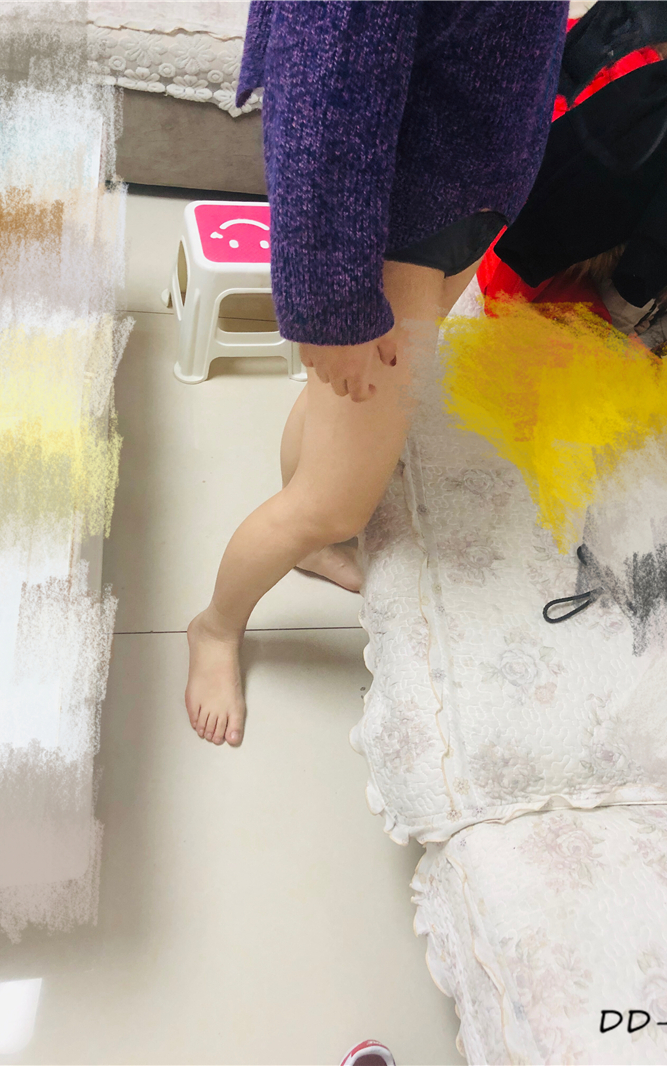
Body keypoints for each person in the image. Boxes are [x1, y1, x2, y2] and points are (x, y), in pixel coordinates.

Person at [183, 0, 571, 747]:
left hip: (463, 185)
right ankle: (215, 627)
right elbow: (323, 102)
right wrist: (336, 309)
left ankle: (311, 547)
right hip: (397, 218)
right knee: (333, 504)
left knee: (331, 441)